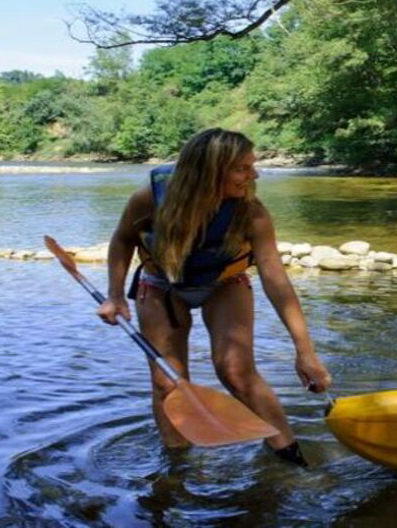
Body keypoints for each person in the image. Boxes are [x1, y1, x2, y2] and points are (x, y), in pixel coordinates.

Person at [98, 128, 332, 462]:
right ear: (208, 172)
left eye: (252, 165)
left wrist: (304, 352)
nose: (254, 175)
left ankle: (290, 457)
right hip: (161, 285)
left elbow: (277, 282)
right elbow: (123, 239)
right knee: (168, 382)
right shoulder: (149, 199)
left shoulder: (253, 213)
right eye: (242, 168)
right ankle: (178, 467)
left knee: (235, 370)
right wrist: (116, 296)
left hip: (225, 284)